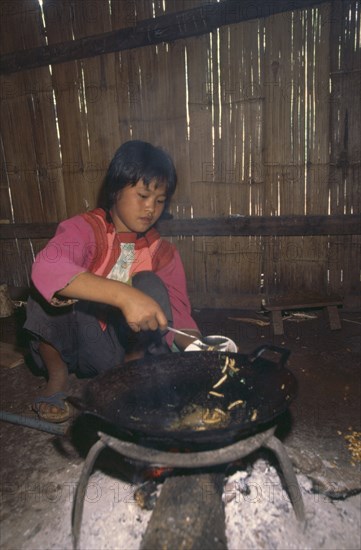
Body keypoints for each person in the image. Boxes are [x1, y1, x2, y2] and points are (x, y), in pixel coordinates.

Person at [24, 140, 201, 423]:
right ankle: (57, 379)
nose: (150, 209)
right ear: (114, 190)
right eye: (142, 195)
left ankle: (128, 381)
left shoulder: (162, 252)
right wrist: (123, 295)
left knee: (150, 283)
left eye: (159, 200)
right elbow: (47, 267)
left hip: (117, 353)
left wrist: (206, 352)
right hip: (69, 340)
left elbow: (180, 316)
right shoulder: (85, 229)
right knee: (44, 291)